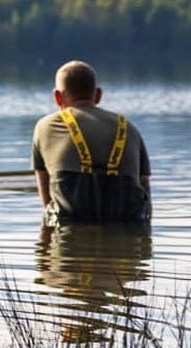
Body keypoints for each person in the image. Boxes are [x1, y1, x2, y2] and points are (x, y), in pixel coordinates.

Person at [31, 60, 151, 225]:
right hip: (126, 224)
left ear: (57, 97)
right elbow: (145, 193)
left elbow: (46, 203)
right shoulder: (129, 128)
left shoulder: (45, 127)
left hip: (69, 228)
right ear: (98, 95)